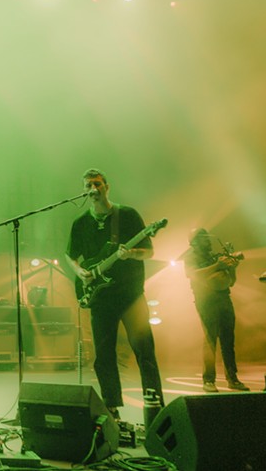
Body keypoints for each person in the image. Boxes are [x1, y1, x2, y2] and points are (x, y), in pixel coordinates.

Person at [65, 168, 164, 418]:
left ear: (107, 187)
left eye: (97, 184)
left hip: (131, 295)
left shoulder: (127, 215)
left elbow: (149, 252)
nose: (93, 189)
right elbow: (70, 255)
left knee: (144, 350)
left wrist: (130, 254)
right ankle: (111, 407)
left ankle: (155, 405)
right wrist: (79, 272)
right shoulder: (80, 223)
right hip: (100, 298)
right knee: (104, 355)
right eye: (88, 185)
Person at [184, 228, 249, 392]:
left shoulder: (216, 256)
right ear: (195, 241)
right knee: (210, 339)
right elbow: (192, 274)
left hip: (224, 297)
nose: (209, 241)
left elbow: (231, 282)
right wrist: (217, 265)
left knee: (228, 339)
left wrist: (233, 267)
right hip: (205, 300)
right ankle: (208, 380)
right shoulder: (191, 257)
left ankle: (232, 379)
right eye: (204, 238)